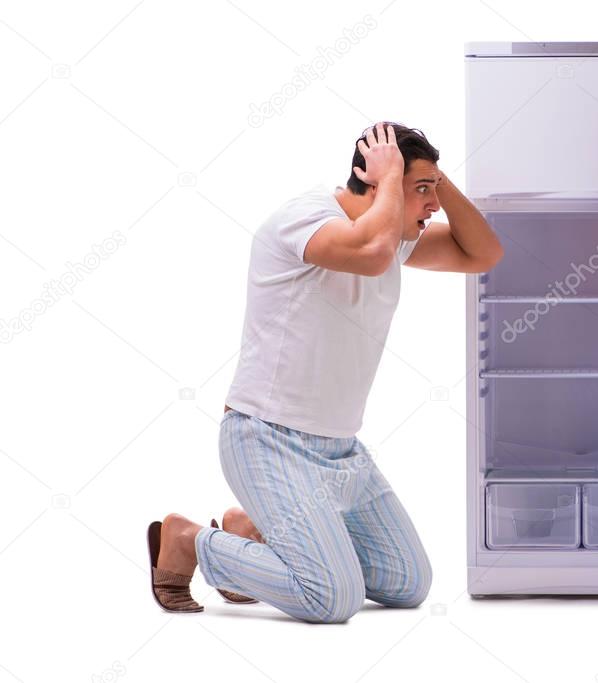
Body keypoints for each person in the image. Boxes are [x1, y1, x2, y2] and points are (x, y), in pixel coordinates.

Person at [147, 122, 503, 622]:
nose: (433, 206)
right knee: (330, 598)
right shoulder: (307, 218)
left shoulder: (391, 237)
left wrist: (432, 180)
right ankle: (188, 541)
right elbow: (370, 255)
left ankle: (252, 530)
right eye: (422, 192)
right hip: (265, 439)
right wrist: (393, 179)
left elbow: (483, 254)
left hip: (342, 451)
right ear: (379, 183)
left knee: (407, 583)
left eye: (433, 191)